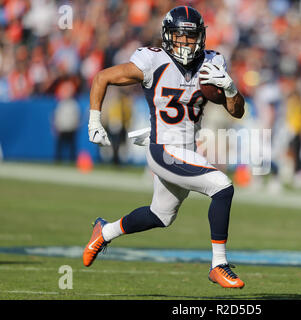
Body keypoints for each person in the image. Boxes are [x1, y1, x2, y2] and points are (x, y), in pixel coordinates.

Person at [82, 6, 246, 289]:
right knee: (222, 187)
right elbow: (102, 77)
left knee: (161, 215)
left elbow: (237, 111)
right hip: (163, 148)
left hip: (187, 149)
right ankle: (218, 264)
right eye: (181, 37)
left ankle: (105, 231)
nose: (187, 43)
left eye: (192, 37)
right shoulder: (151, 60)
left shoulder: (212, 62)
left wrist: (231, 90)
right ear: (169, 37)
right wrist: (94, 120)